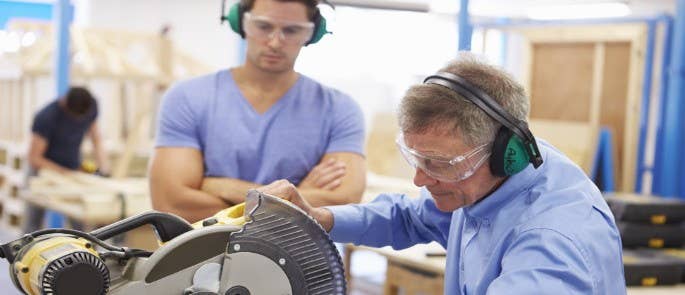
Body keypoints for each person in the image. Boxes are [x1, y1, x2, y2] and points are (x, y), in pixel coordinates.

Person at [259, 52, 626, 294]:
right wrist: (319, 218)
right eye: (416, 159)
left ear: (505, 153)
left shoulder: (551, 246)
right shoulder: (481, 180)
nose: (420, 179)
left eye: (437, 164)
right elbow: (410, 217)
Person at [149, 0, 367, 223]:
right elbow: (171, 204)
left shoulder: (339, 110)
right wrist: (295, 197)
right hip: (204, 256)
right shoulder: (187, 97)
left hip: (295, 257)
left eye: (291, 30)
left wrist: (220, 186)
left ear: (312, 34)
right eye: (263, 27)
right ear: (241, 23)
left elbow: (344, 203)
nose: (275, 42)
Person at [25, 86, 109, 232]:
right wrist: (64, 172)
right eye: (75, 117)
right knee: (33, 223)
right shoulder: (46, 117)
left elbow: (95, 138)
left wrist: (103, 167)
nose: (79, 121)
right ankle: (25, 252)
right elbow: (34, 158)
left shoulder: (90, 106)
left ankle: (85, 252)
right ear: (64, 104)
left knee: (81, 220)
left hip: (71, 168)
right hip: (42, 172)